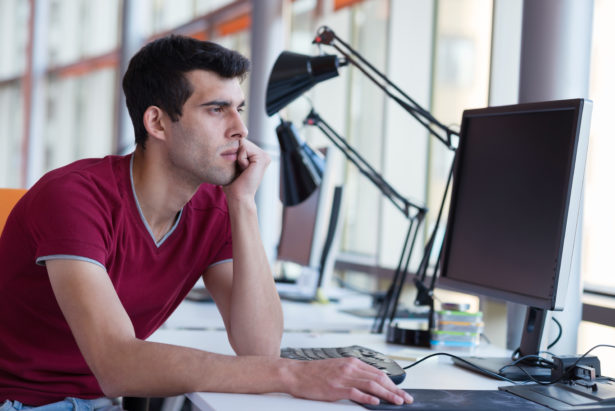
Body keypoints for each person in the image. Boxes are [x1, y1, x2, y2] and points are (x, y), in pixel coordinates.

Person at [0, 35, 413, 409]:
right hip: (23, 403)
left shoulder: (214, 206)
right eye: (217, 110)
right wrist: (295, 374)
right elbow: (117, 363)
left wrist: (243, 205)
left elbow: (259, 346)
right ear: (157, 122)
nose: (241, 129)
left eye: (239, 109)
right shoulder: (74, 197)